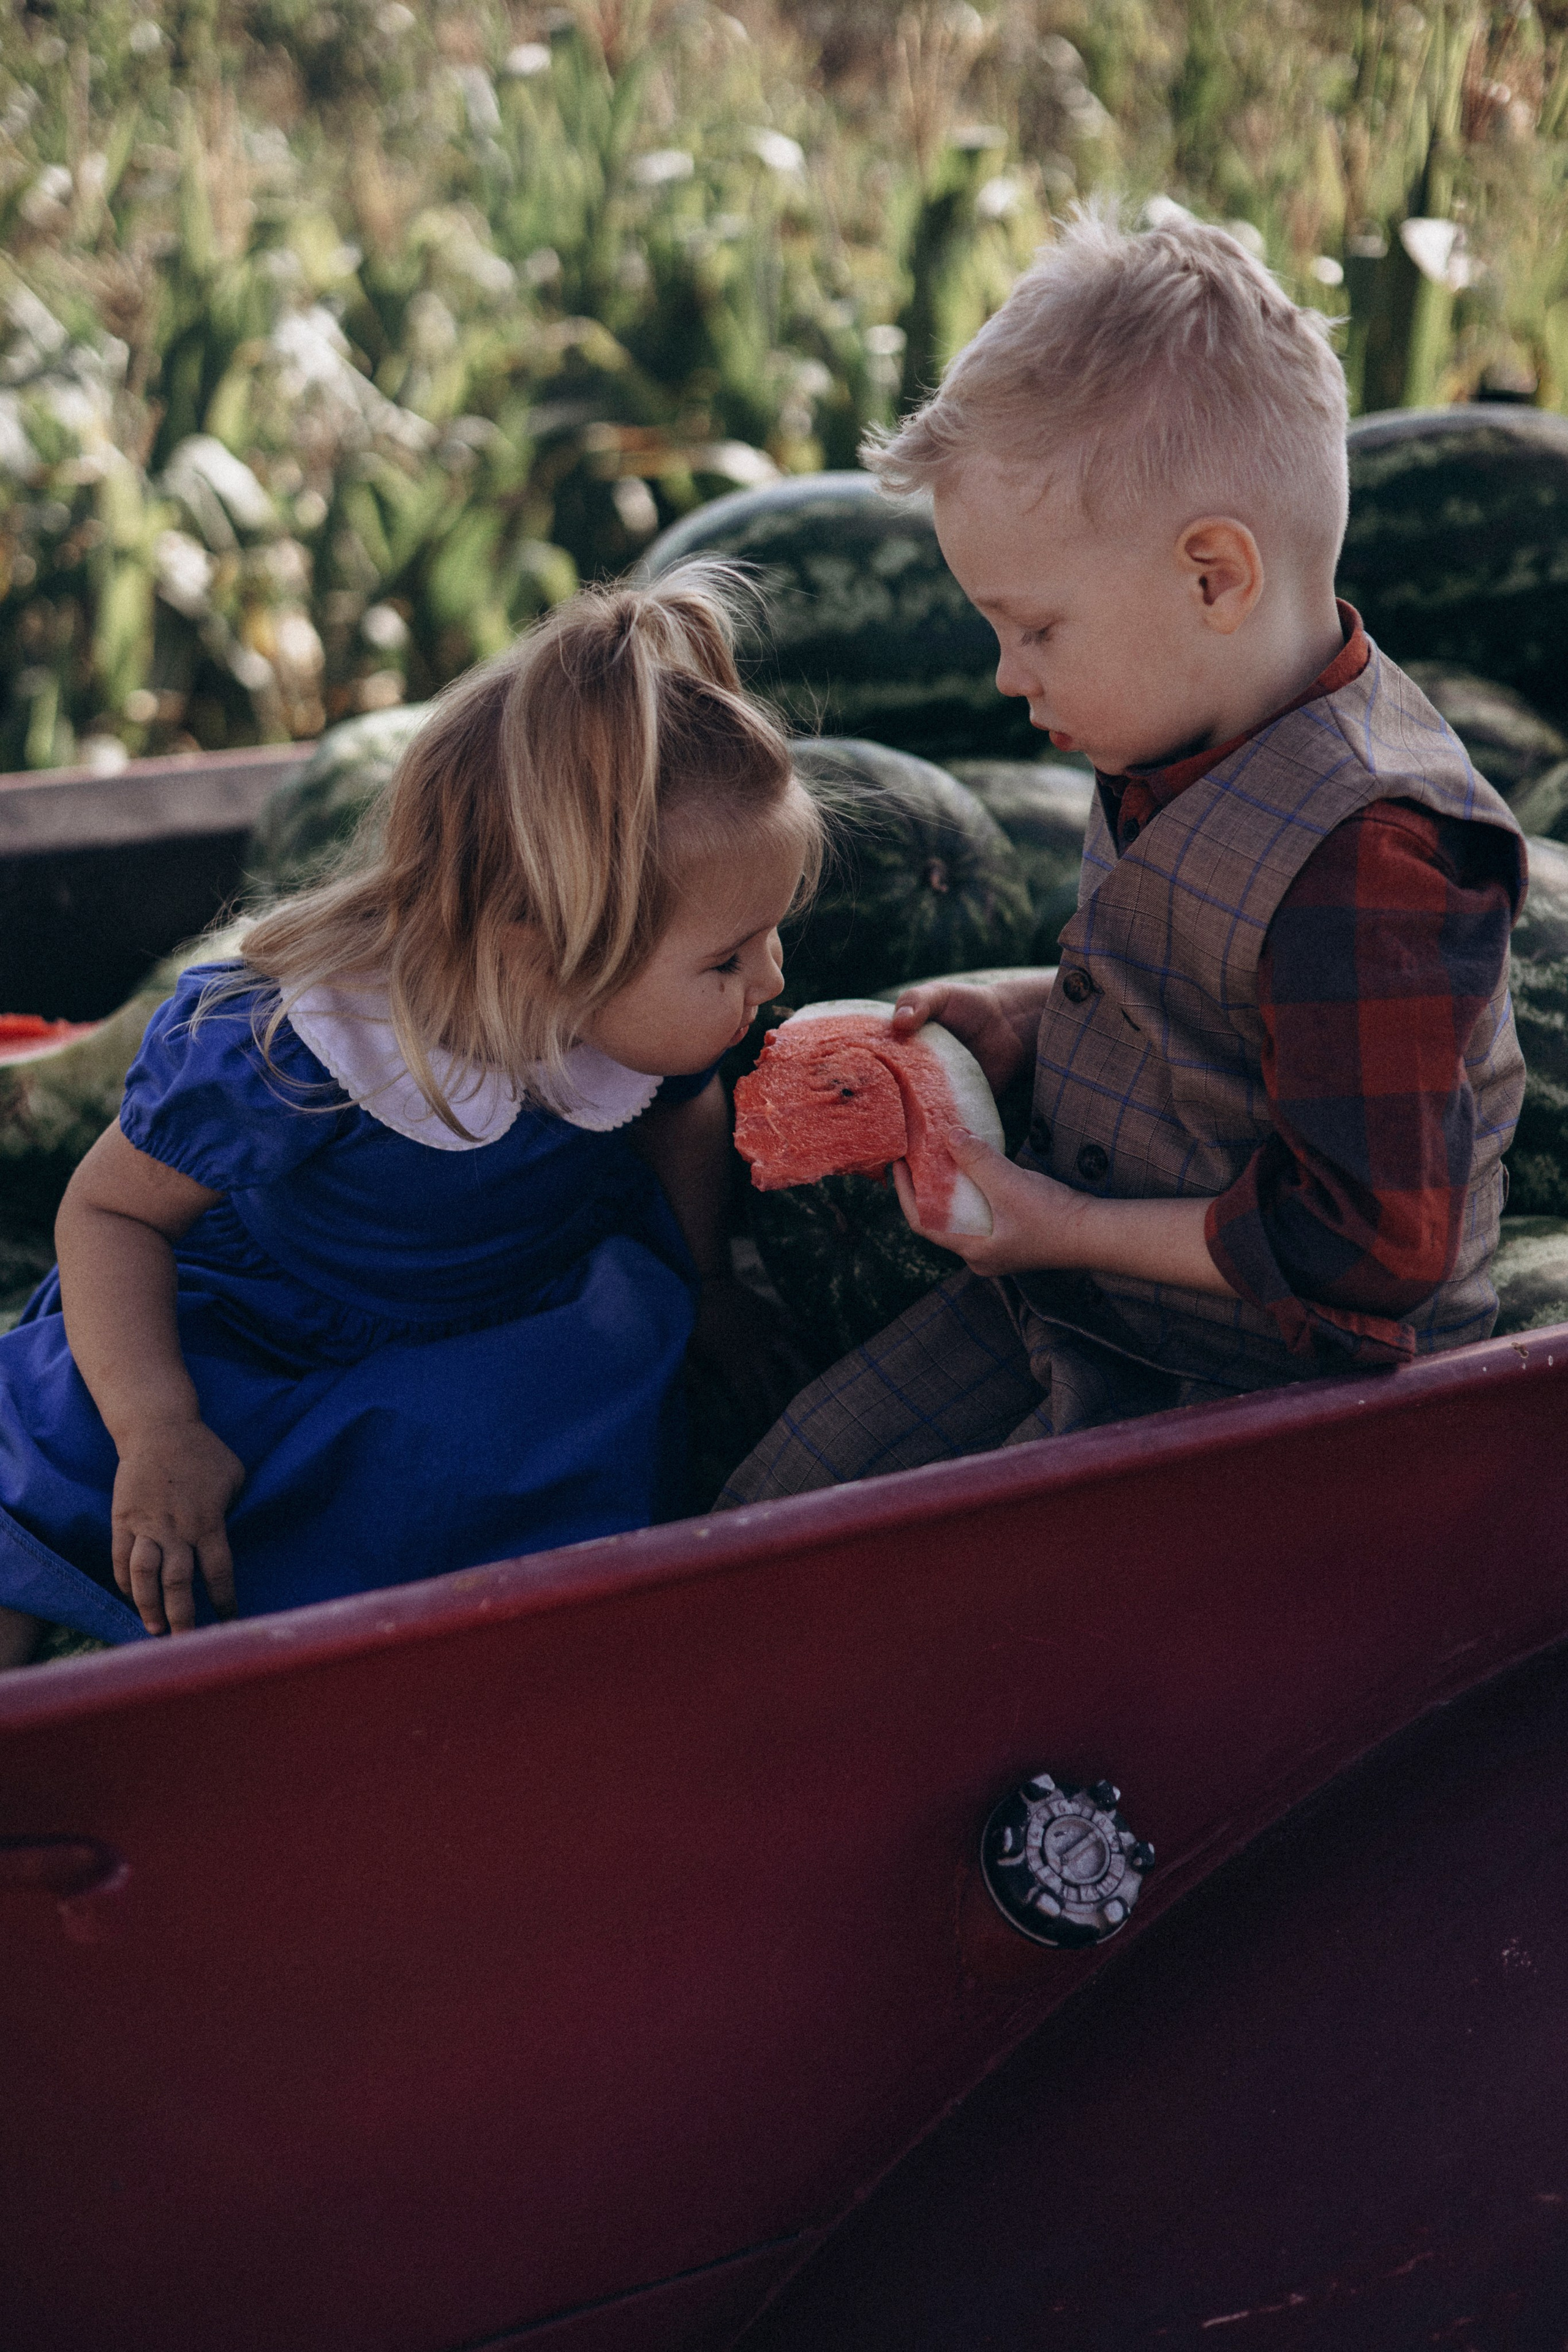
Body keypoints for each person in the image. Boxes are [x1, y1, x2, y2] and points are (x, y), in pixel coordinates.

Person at [720, 212, 1526, 1507]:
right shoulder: (1184, 719)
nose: (1006, 675)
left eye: (1035, 629)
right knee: (772, 1508)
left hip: (1280, 1398)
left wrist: (1067, 1228)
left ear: (1213, 579)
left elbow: (1367, 1249)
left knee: (903, 1590)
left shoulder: (1373, 860)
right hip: (1094, 1301)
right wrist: (1033, 1015)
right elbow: (1219, 1002)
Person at [0, 567, 819, 1660]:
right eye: (728, 959)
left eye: (769, 934)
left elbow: (684, 1114)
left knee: (543, 1449)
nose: (771, 979)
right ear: (538, 951)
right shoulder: (295, 1049)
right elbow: (108, 1214)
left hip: (507, 1331)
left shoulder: (633, 1021)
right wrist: (159, 1425)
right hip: (262, 1330)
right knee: (51, 1459)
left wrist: (709, 1282)